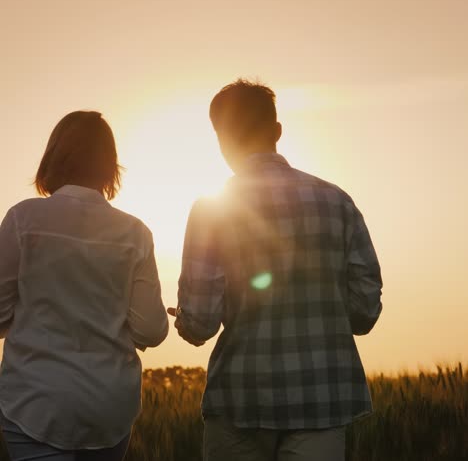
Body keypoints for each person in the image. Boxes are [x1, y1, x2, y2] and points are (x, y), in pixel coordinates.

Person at [168, 79, 383, 461]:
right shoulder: (337, 201)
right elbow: (365, 311)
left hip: (240, 401)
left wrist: (185, 320)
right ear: (278, 132)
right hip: (323, 397)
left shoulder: (212, 208)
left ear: (221, 139)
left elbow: (200, 323)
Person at [0, 111, 168, 461]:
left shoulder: (22, 219)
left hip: (35, 403)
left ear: (54, 158)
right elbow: (151, 330)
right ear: (109, 166)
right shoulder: (135, 233)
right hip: (109, 409)